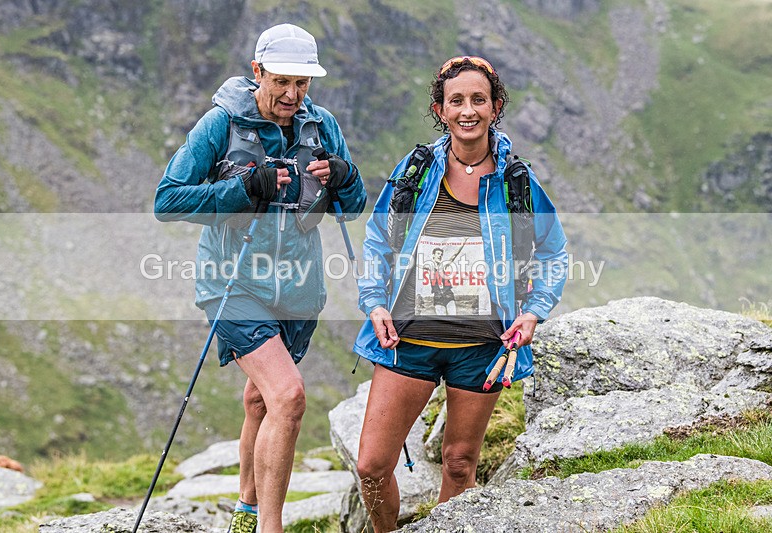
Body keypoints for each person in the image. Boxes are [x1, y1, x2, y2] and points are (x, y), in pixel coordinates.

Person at [154, 23, 366, 533]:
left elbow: (352, 205)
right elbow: (167, 201)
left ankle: (245, 516)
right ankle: (270, 528)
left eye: (303, 84)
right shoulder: (219, 124)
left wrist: (345, 177)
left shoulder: (322, 125)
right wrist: (244, 188)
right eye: (281, 82)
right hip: (232, 283)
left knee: (260, 399)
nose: (292, 95)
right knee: (289, 396)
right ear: (258, 72)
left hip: (298, 288)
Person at [353, 56, 567, 531]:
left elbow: (554, 252)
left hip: (483, 348)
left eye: (478, 100)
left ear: (495, 108)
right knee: (371, 465)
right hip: (407, 342)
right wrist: (374, 302)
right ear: (440, 110)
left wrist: (534, 312)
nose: (467, 110)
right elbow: (376, 241)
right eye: (456, 101)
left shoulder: (517, 182)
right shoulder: (415, 171)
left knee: (458, 464)